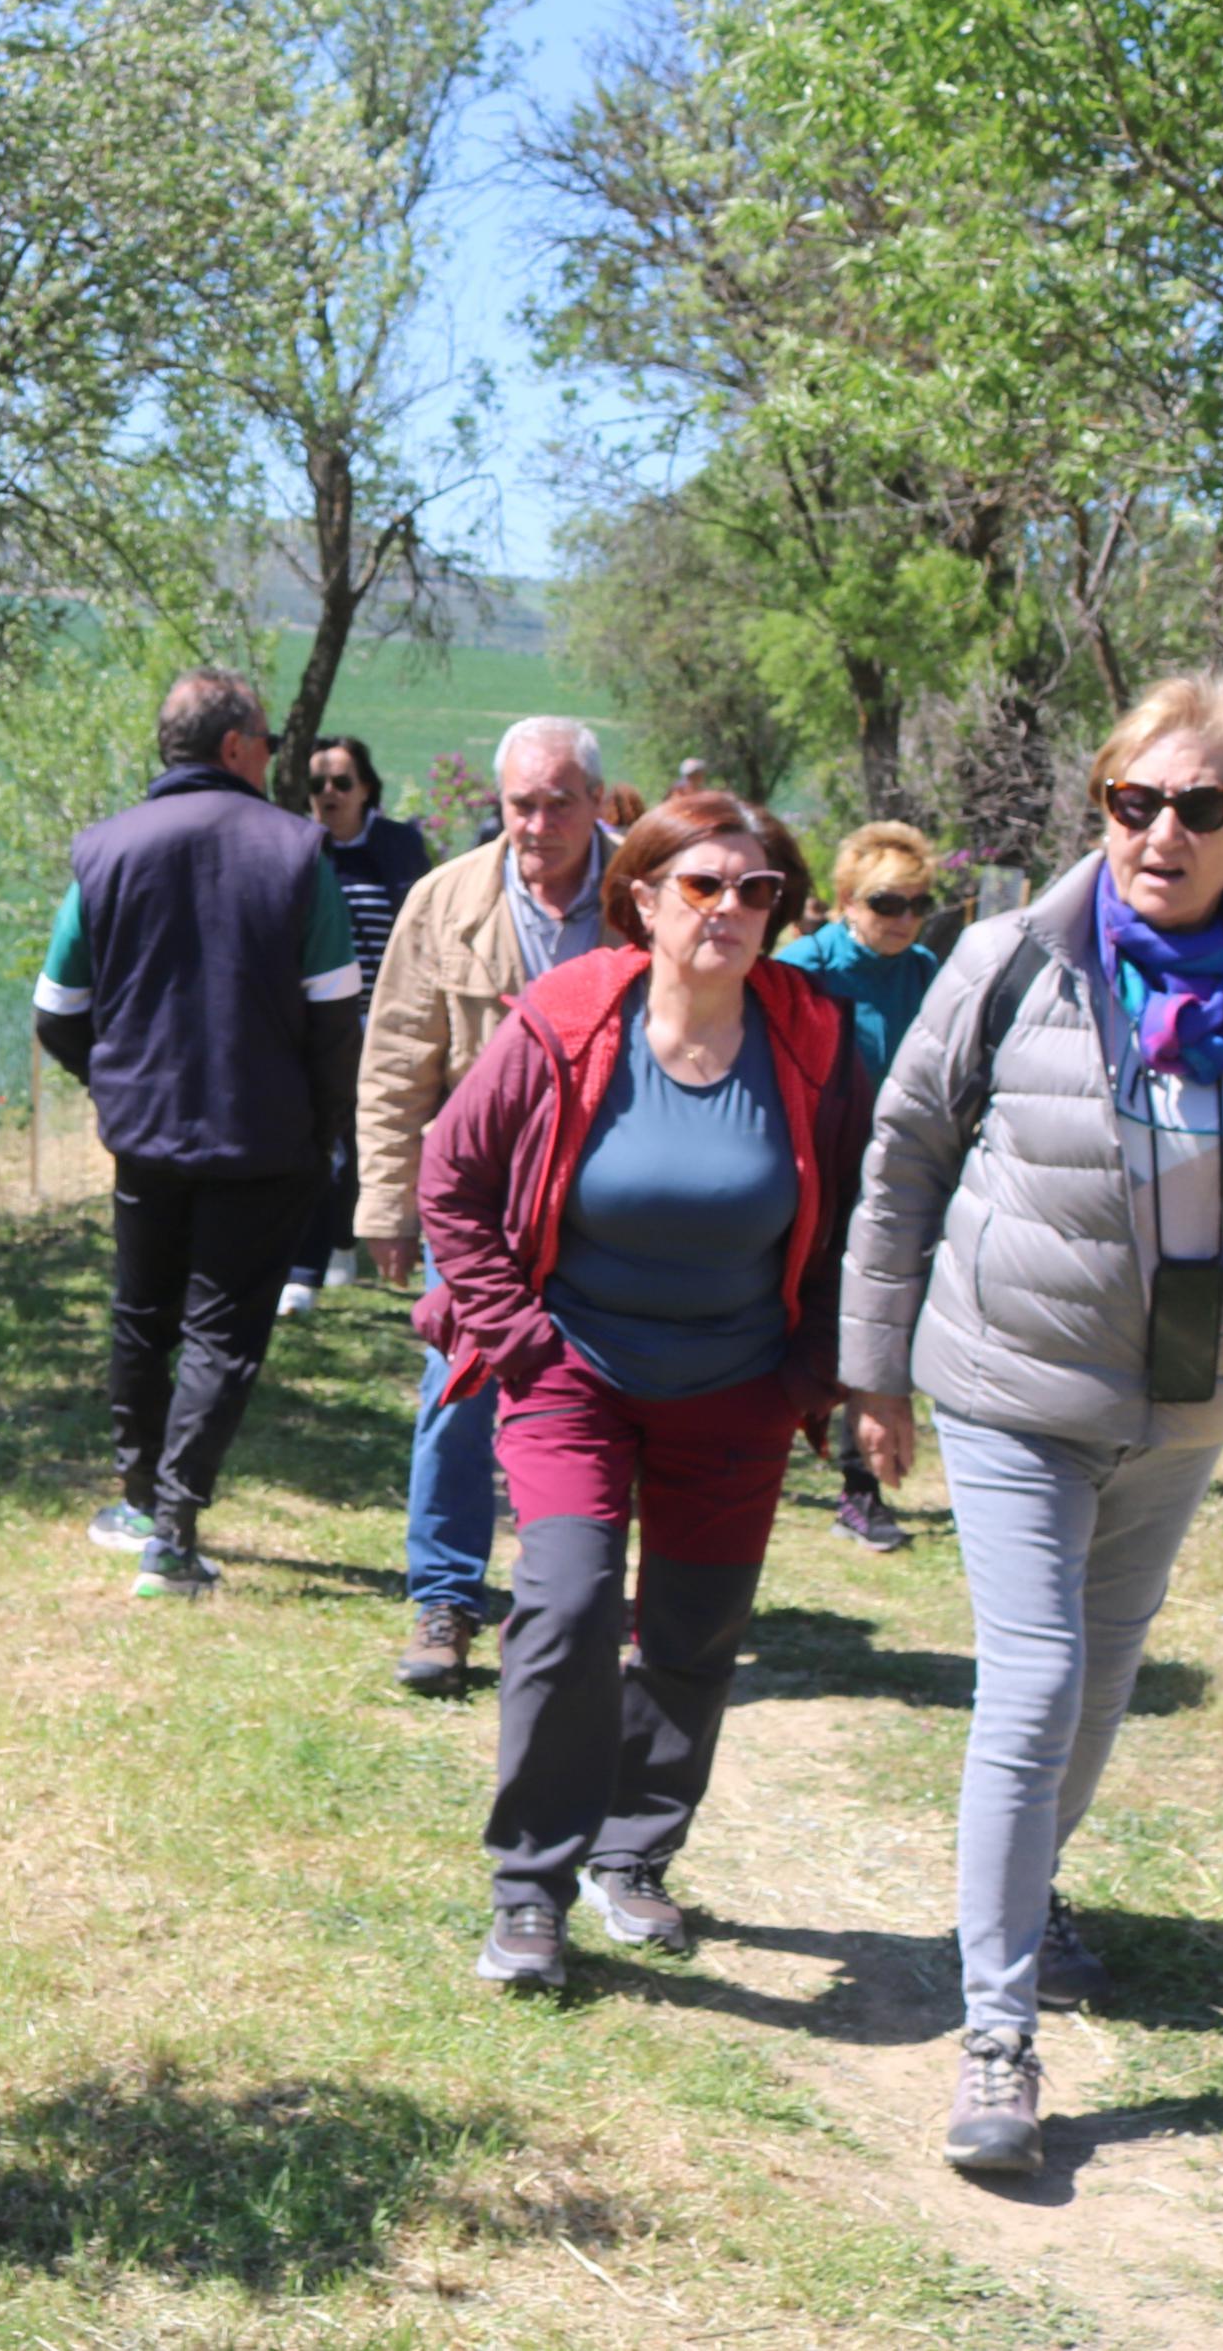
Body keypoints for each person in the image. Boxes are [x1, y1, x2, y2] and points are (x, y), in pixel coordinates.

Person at [840, 675, 1223, 2176]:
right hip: (1014, 1378)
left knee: (1094, 1694)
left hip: (1179, 1407)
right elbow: (902, 1153)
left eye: (1197, 807)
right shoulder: (1008, 954)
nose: (1160, 831)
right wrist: (873, 1363)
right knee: (1032, 1686)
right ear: (1099, 804)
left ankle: (1019, 1899)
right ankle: (994, 2033)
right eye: (1132, 801)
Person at [415, 791, 872, 1989]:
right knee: (562, 1610)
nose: (729, 908)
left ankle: (633, 1853)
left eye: (756, 889)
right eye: (702, 885)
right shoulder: (567, 1017)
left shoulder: (815, 1039)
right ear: (645, 895)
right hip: (573, 1373)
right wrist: (516, 1337)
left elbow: (863, 1221)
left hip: (737, 1387)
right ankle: (528, 1890)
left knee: (692, 1630)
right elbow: (450, 1178)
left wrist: (811, 1373)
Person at [32, 671, 365, 1600]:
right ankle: (172, 1535)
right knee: (222, 1331)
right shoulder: (299, 852)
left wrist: (118, 1080)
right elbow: (337, 1014)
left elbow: (58, 1011)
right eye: (264, 736)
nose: (273, 753)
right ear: (231, 747)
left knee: (143, 1313)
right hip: (264, 1139)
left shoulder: (103, 851)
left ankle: (139, 1501)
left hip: (145, 1139)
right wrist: (325, 1126)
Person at [353, 717, 620, 1691]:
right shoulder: (442, 902)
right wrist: (385, 1202)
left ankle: (586, 1596)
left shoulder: (651, 894)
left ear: (597, 801)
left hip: (613, 1199)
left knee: (608, 1392)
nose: (537, 824)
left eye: (557, 802)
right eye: (519, 804)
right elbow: (392, 1064)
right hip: (481, 1204)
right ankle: (444, 1596)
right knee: (455, 1390)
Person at [776, 820, 950, 1552]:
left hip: (893, 1176)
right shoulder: (800, 969)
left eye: (918, 903)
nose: (904, 919)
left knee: (876, 1323)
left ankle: (860, 1485)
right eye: (887, 902)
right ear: (845, 898)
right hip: (806, 1170)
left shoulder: (926, 972)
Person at [280, 737, 431, 1318]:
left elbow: (422, 930)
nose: (328, 795)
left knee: (366, 1140)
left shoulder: (399, 848)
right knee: (326, 1140)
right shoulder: (299, 850)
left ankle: (343, 1237)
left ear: (367, 789)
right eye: (318, 784)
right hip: (320, 1025)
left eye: (342, 783)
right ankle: (306, 1268)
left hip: (388, 1023)